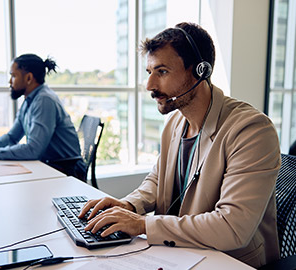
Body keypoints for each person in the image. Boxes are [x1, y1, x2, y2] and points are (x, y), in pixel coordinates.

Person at [79, 22, 281, 268]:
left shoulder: (251, 130)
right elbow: (157, 180)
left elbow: (232, 227)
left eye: (162, 71)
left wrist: (142, 224)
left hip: (228, 261)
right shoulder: (175, 121)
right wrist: (129, 204)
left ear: (200, 71)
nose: (150, 85)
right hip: (179, 254)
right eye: (149, 72)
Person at [0, 54, 85, 177]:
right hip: (50, 166)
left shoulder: (44, 100)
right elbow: (11, 138)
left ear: (29, 78)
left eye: (14, 76)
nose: (10, 81)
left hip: (67, 170)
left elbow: (33, 150)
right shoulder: (30, 100)